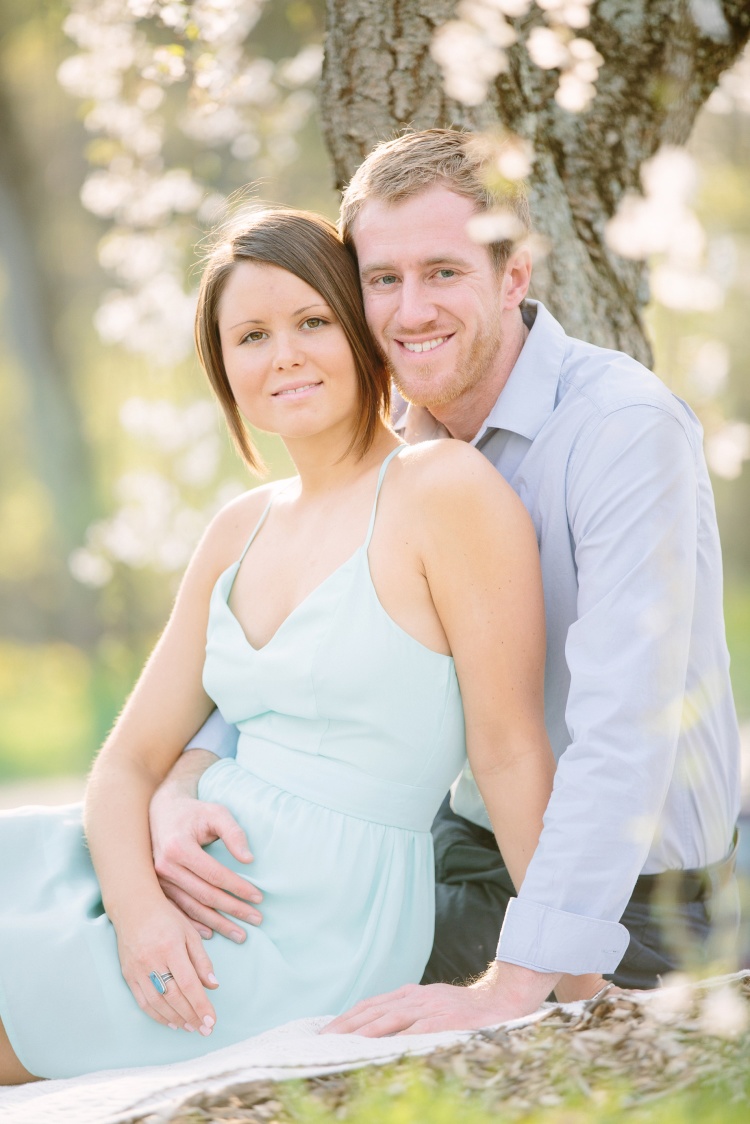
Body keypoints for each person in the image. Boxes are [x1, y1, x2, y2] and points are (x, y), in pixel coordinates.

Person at [150, 130, 742, 1036]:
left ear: (515, 277)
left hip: (632, 899)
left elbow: (624, 733)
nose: (410, 310)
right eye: (382, 280)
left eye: (444, 273)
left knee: (231, 993)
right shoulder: (398, 446)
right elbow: (306, 641)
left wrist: (517, 978)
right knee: (145, 913)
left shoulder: (624, 432)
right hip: (450, 853)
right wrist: (180, 783)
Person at [0, 207, 564, 1085]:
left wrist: (564, 972)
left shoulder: (440, 491)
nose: (285, 355)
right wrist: (138, 904)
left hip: (305, 922)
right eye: (251, 336)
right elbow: (126, 764)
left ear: (364, 332)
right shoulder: (239, 527)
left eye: (313, 323)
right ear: (224, 367)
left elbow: (511, 750)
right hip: (149, 875)